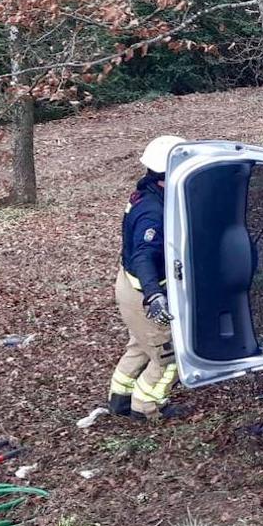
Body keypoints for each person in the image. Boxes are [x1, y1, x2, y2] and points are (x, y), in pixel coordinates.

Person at [108, 135, 189, 422]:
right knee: (170, 356)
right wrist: (154, 295)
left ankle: (120, 397)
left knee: (141, 345)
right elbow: (144, 255)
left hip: (129, 286)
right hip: (143, 291)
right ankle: (147, 406)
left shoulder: (147, 194)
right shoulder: (153, 213)